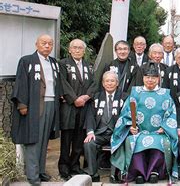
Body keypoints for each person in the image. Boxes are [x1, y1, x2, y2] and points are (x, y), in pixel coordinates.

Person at [111, 63, 179, 184]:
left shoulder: (165, 94)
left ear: (158, 78)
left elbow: (171, 113)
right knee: (132, 141)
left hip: (158, 132)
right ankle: (139, 173)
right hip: (139, 131)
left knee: (162, 142)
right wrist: (130, 126)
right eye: (147, 77)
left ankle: (155, 171)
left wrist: (165, 127)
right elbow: (126, 113)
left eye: (153, 77)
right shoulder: (135, 93)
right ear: (143, 78)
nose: (150, 80)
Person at [10, 34, 63, 185]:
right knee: (33, 139)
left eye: (50, 44)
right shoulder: (27, 61)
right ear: (36, 44)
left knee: (45, 138)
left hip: (51, 103)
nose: (47, 46)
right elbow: (21, 82)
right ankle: (32, 175)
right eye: (43, 43)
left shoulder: (53, 62)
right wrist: (22, 105)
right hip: (34, 105)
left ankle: (40, 171)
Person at [58, 39, 96, 180]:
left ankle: (75, 166)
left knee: (79, 139)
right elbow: (62, 83)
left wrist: (85, 97)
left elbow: (94, 83)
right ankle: (64, 168)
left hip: (84, 106)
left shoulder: (89, 65)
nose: (77, 50)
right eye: (74, 47)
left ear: (84, 51)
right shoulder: (63, 64)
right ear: (69, 49)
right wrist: (74, 99)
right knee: (66, 139)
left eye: (80, 48)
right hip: (69, 106)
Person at [82, 71, 126, 182]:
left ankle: (117, 173)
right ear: (102, 83)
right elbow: (90, 116)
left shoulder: (124, 97)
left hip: (117, 133)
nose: (109, 83)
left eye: (112, 81)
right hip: (100, 133)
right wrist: (90, 132)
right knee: (89, 143)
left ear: (117, 83)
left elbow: (127, 116)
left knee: (124, 142)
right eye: (107, 81)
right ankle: (93, 173)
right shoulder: (96, 97)